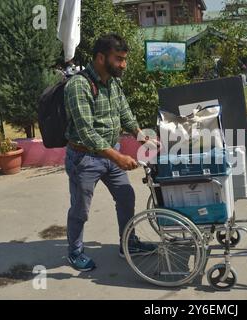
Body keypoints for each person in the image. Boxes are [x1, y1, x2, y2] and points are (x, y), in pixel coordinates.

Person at [64, 33, 157, 272]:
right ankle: (74, 252)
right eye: (119, 59)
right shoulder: (78, 85)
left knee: (126, 197)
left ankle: (128, 242)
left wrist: (142, 137)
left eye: (124, 59)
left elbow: (124, 112)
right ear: (100, 57)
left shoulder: (113, 82)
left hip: (110, 154)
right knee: (80, 209)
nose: (123, 64)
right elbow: (86, 132)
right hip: (84, 158)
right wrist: (118, 157)